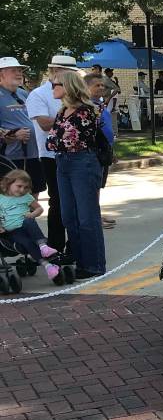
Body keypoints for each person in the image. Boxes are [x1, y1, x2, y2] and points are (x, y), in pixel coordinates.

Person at [46, 70, 105, 277]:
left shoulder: (86, 111)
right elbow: (53, 140)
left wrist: (56, 141)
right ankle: (80, 261)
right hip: (63, 162)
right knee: (68, 216)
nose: (52, 88)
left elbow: (69, 140)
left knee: (87, 217)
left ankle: (93, 265)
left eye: (56, 84)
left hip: (82, 163)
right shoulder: (62, 112)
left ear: (68, 86)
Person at [26, 54, 81, 251]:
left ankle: (75, 244)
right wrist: (73, 119)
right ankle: (55, 244)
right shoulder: (39, 94)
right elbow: (43, 124)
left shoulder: (74, 93)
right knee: (58, 201)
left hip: (76, 153)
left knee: (75, 201)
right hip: (51, 155)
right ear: (55, 71)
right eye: (69, 73)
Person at [0, 168, 65, 284]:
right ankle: (47, 266)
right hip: (12, 232)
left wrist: (33, 213)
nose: (22, 190)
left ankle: (43, 247)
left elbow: (39, 208)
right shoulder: (1, 199)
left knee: (29, 221)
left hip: (26, 226)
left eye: (25, 187)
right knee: (27, 243)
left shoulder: (26, 197)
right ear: (9, 183)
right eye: (19, 186)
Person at [0, 57, 43, 198]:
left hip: (33, 153)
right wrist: (12, 134)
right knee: (12, 196)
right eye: (14, 70)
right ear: (1, 74)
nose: (19, 73)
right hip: (10, 156)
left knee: (34, 191)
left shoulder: (23, 93)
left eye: (20, 70)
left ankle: (29, 220)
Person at [83, 73, 116, 229]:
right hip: (94, 151)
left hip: (104, 149)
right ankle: (93, 218)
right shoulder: (87, 106)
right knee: (92, 186)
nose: (102, 88)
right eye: (97, 85)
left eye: (103, 85)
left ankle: (96, 214)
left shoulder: (100, 104)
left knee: (98, 185)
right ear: (86, 87)